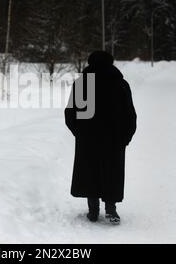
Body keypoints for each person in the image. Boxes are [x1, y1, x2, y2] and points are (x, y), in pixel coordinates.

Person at [64, 51, 137, 225]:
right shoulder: (121, 84)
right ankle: (111, 209)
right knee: (112, 172)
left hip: (88, 139)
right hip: (114, 140)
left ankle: (93, 210)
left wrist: (79, 133)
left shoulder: (82, 84)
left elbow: (70, 114)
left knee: (90, 171)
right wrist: (125, 137)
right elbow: (130, 115)